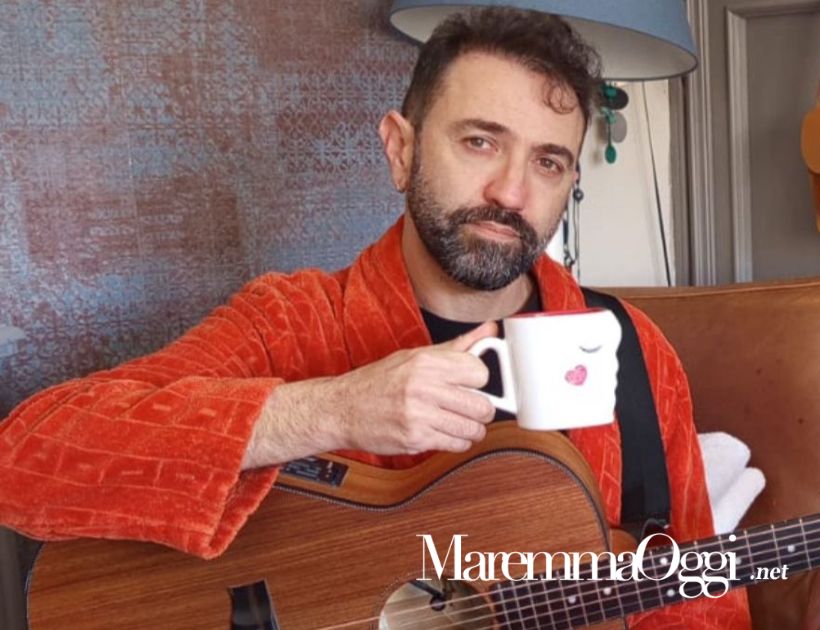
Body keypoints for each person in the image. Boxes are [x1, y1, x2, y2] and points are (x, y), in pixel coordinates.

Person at [0, 7, 751, 628]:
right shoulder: (291, 322)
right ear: (400, 150)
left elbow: (703, 598)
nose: (511, 192)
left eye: (547, 162)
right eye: (480, 141)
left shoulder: (630, 350)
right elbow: (24, 463)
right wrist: (327, 409)